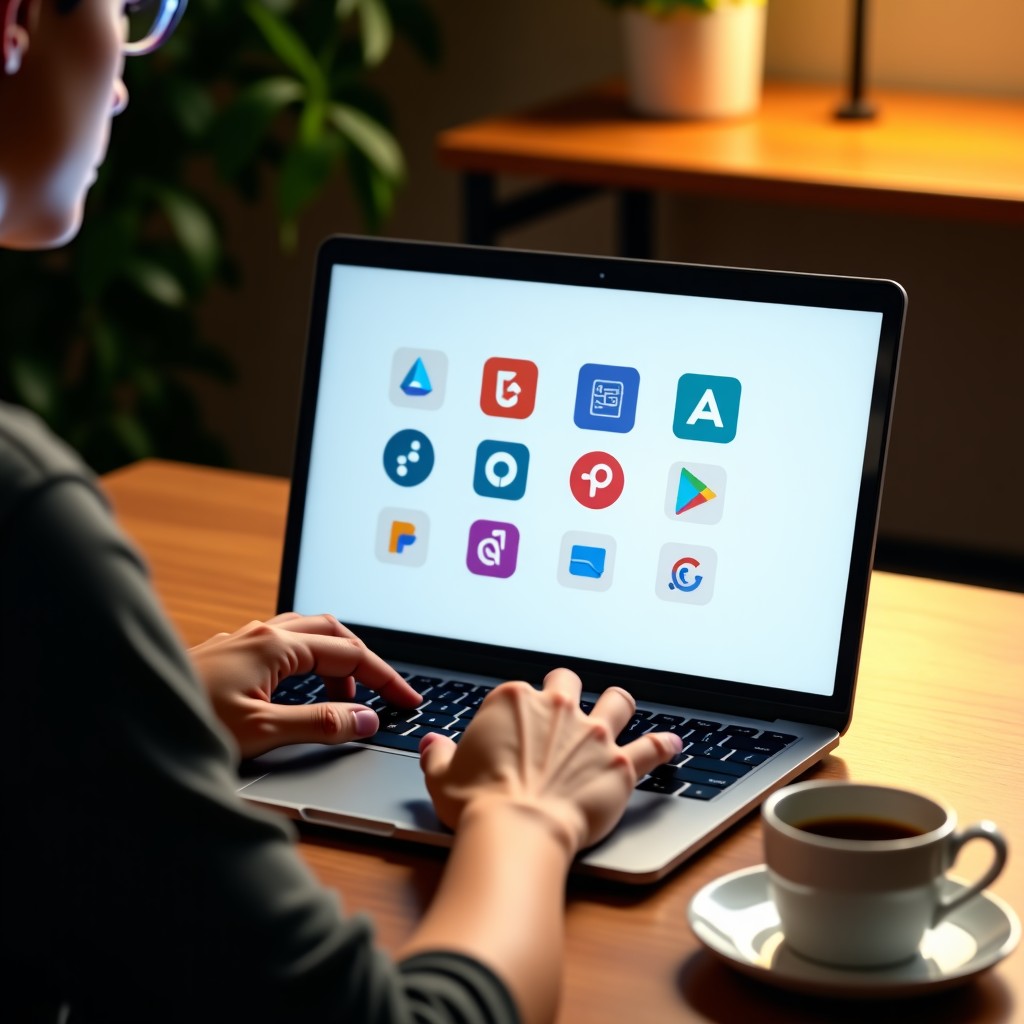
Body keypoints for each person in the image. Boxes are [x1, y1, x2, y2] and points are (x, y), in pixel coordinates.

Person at [0, 2, 682, 1022]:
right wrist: (527, 815)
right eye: (124, 5)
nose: (129, 71)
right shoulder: (24, 518)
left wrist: (133, 723)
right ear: (16, 21)